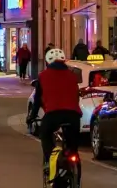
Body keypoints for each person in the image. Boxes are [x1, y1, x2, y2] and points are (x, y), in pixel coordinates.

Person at [29, 48, 81, 182]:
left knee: (45, 134)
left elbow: (37, 100)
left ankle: (51, 157)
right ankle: (73, 164)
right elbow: (76, 96)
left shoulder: (43, 76)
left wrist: (31, 116)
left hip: (53, 114)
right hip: (73, 115)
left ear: (47, 62)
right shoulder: (72, 76)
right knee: (72, 146)